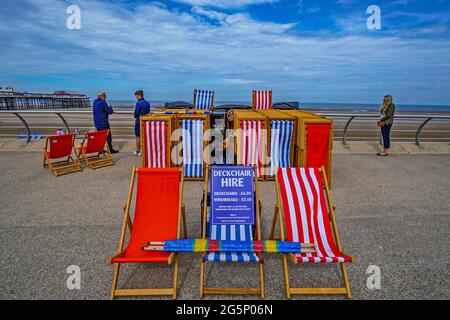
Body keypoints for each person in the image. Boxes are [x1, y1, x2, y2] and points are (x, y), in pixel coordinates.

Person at [133, 90, 151, 156]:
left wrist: (135, 114)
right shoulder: (147, 103)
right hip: (146, 121)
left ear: (139, 95)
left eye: (136, 97)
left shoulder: (139, 103)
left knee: (138, 136)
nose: (136, 98)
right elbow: (148, 113)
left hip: (139, 121)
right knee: (145, 136)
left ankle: (138, 151)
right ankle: (145, 151)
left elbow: (136, 114)